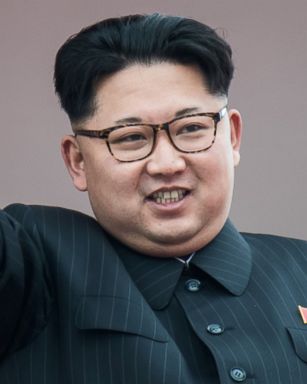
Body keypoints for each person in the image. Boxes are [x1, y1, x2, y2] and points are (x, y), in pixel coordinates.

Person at [0, 13, 307, 384]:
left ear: (232, 137)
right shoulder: (33, 267)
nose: (166, 164)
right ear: (77, 160)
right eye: (130, 137)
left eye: (192, 128)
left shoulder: (300, 268)